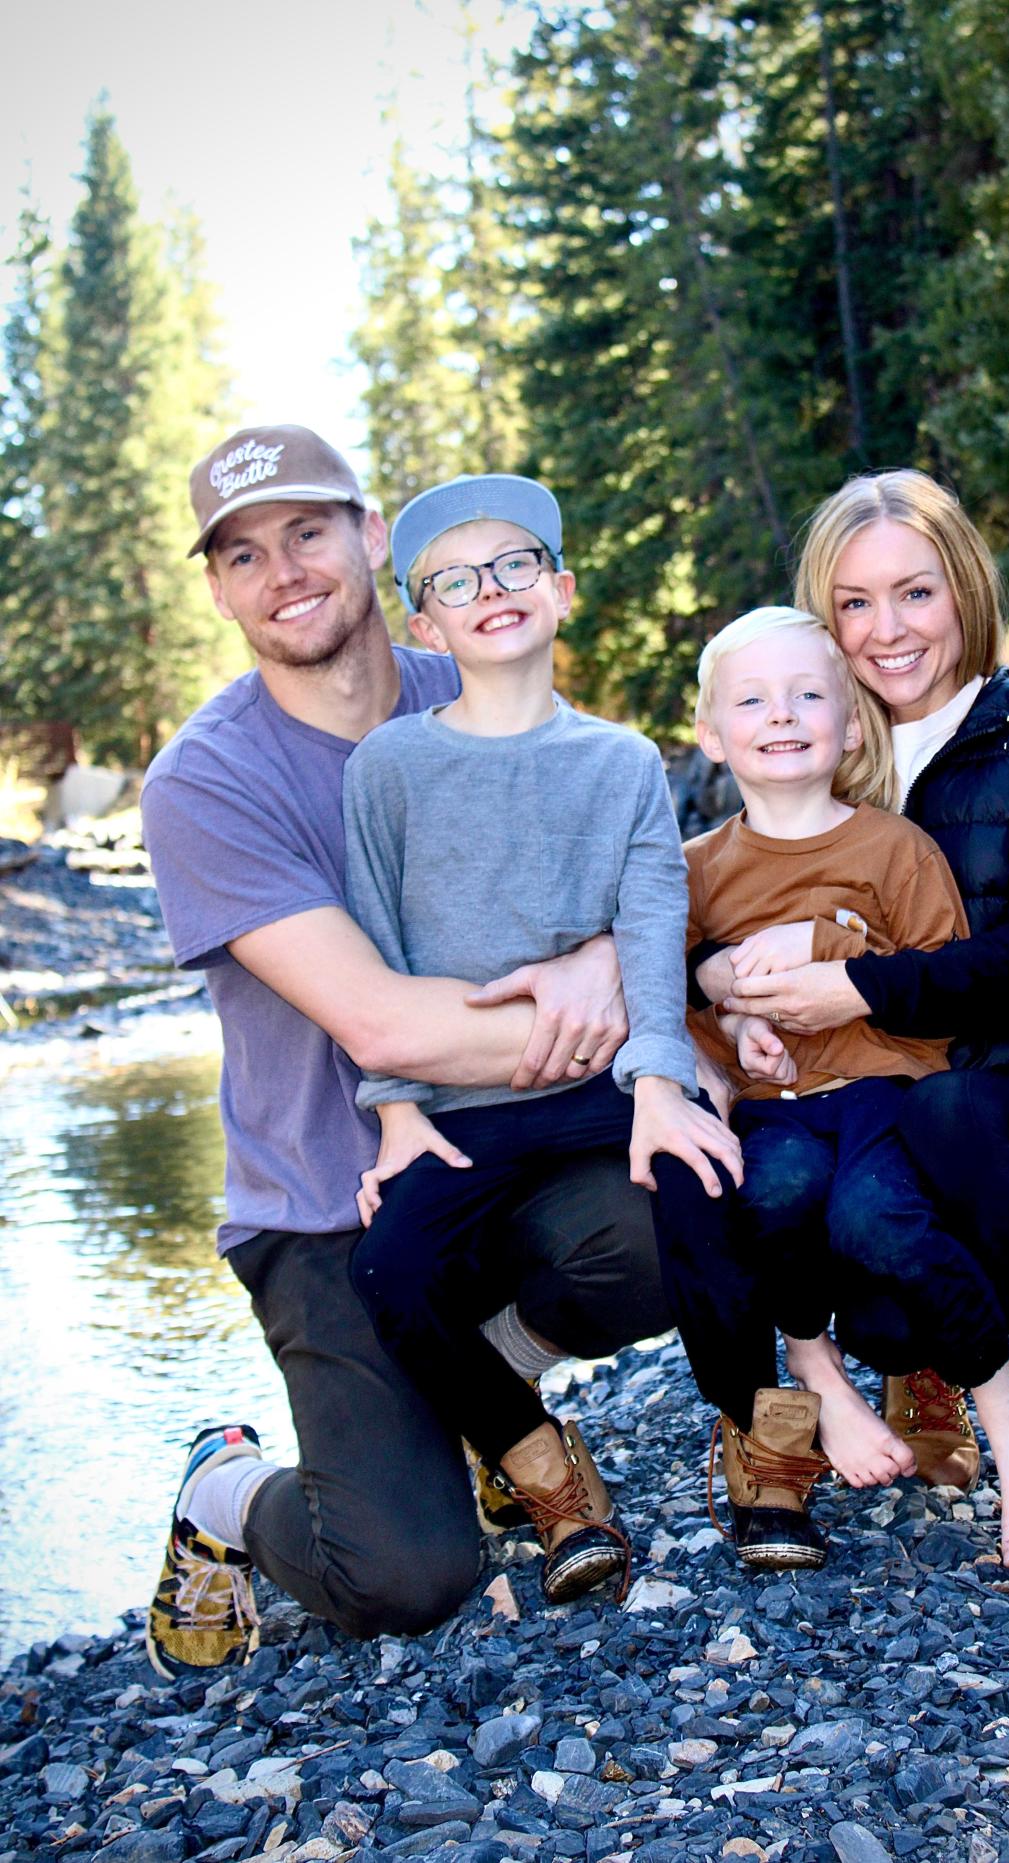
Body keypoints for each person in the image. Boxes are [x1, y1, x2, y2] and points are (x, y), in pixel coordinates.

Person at [139, 425, 675, 1677]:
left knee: (674, 1208)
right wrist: (619, 1005)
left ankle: (483, 1383)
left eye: (309, 532)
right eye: (244, 553)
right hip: (327, 1204)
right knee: (406, 1576)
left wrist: (613, 960)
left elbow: (639, 863)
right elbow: (382, 1025)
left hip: (502, 1153)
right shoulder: (207, 783)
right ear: (220, 588)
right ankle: (221, 1491)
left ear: (375, 539)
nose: (285, 571)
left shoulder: (475, 676)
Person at [704, 471, 1009, 1587]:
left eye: (914, 593)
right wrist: (721, 987)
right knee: (846, 1247)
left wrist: (859, 988)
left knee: (951, 1114)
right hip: (865, 1121)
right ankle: (911, 1376)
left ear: (962, 589)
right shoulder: (819, 738)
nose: (888, 630)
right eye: (855, 604)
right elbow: (711, 908)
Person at [340, 471, 741, 1606]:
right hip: (464, 1104)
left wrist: (663, 1079)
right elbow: (374, 940)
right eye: (456, 581)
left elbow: (653, 919)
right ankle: (545, 1472)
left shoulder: (618, 761)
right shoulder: (390, 769)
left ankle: (762, 1448)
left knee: (703, 1174)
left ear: (560, 592)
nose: (492, 590)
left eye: (516, 565)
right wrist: (399, 1114)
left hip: (593, 1084)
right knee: (391, 1269)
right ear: (427, 624)